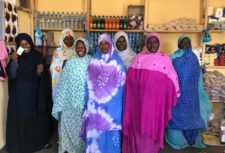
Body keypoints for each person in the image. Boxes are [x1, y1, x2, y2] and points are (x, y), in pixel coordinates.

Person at [122, 32, 180, 153]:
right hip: (138, 105)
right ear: (146, 43)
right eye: (150, 41)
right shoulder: (139, 58)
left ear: (159, 44)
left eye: (155, 42)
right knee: (137, 130)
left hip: (155, 107)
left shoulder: (165, 60)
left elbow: (172, 80)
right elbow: (131, 79)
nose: (152, 44)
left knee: (150, 131)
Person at [6, 33, 51, 153]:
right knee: (21, 116)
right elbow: (12, 75)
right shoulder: (17, 56)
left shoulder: (37, 56)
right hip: (19, 94)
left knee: (35, 116)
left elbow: (42, 75)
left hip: (34, 93)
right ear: (18, 46)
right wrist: (14, 61)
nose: (24, 46)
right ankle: (19, 145)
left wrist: (40, 72)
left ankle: (37, 142)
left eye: (26, 44)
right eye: (21, 44)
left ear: (31, 44)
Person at [81, 34, 126, 153]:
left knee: (110, 133)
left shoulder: (118, 63)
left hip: (112, 107)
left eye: (106, 43)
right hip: (95, 105)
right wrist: (92, 101)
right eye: (101, 44)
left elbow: (121, 86)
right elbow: (89, 84)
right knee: (95, 132)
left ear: (110, 44)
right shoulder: (94, 61)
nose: (103, 46)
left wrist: (111, 101)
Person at [165, 35, 211, 149]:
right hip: (177, 97)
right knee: (176, 120)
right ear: (178, 44)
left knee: (192, 118)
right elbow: (167, 75)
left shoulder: (194, 58)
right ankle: (178, 141)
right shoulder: (172, 58)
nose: (185, 45)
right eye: (182, 43)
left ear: (190, 44)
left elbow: (198, 77)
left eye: (187, 43)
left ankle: (192, 139)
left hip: (191, 97)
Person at [52, 37, 92, 153]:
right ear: (75, 49)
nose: (80, 49)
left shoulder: (91, 61)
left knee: (83, 128)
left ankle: (83, 149)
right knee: (70, 127)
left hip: (85, 103)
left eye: (82, 47)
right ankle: (69, 148)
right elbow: (63, 82)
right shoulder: (70, 62)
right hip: (70, 102)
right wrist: (61, 101)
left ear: (86, 48)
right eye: (78, 47)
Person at [50, 29, 75, 101]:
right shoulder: (57, 51)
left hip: (73, 82)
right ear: (62, 39)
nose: (69, 40)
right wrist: (63, 62)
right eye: (66, 38)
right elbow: (52, 67)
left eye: (71, 38)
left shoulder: (77, 50)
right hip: (60, 81)